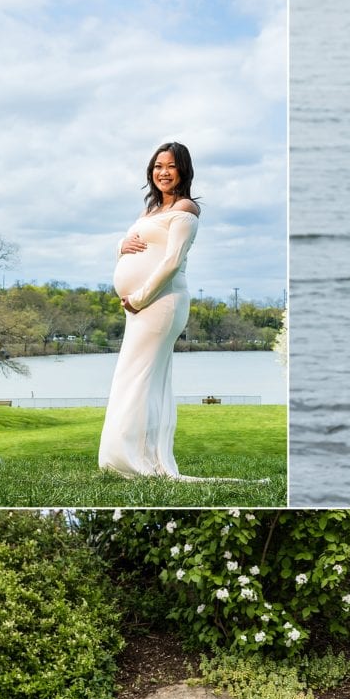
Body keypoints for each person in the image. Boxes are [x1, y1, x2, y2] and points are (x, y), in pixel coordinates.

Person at [99, 141, 201, 478]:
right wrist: (120, 245)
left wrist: (140, 297)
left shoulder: (186, 209)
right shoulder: (152, 210)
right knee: (134, 377)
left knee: (142, 378)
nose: (163, 172)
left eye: (170, 166)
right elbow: (134, 242)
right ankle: (131, 455)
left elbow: (172, 261)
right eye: (158, 166)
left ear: (182, 169)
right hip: (139, 306)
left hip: (160, 303)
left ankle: (135, 459)